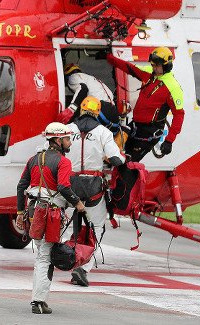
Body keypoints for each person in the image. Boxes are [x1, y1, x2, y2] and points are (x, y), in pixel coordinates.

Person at [15, 122, 86, 315]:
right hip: (50, 214)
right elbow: (63, 187)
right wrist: (78, 203)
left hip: (33, 212)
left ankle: (39, 299)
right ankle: (38, 301)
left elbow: (21, 186)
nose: (69, 142)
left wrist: (20, 213)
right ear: (58, 140)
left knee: (41, 254)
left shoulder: (33, 159)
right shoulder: (63, 162)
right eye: (67, 139)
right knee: (45, 257)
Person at [66, 96, 126, 287]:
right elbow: (116, 159)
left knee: (65, 224)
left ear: (81, 109)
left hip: (70, 185)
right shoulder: (103, 132)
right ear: (98, 112)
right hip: (93, 186)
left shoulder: (68, 129)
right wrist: (123, 157)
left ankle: (58, 259)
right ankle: (83, 268)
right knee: (97, 226)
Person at [106, 47, 185, 161]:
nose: (154, 67)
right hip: (136, 126)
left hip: (150, 132)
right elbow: (129, 68)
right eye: (152, 65)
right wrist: (109, 58)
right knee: (116, 157)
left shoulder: (173, 87)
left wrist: (169, 141)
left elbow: (179, 115)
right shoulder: (149, 73)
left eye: (157, 65)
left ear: (166, 65)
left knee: (129, 164)